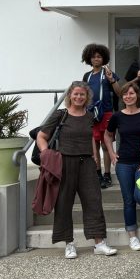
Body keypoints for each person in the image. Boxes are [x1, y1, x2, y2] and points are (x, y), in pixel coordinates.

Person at [35, 81, 117, 259]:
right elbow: (41, 136)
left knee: (94, 201)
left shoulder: (89, 116)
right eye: (76, 94)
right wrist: (46, 154)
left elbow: (91, 138)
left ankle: (99, 243)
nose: (79, 97)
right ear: (70, 96)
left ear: (87, 97)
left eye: (82, 94)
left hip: (87, 163)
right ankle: (69, 243)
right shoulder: (61, 115)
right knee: (64, 203)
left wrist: (96, 157)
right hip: (64, 162)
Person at [104, 83, 140, 251]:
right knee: (128, 200)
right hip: (124, 162)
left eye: (131, 93)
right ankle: (132, 237)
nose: (128, 96)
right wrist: (111, 153)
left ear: (137, 95)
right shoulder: (117, 116)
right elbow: (107, 135)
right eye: (125, 94)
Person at [81, 43, 121, 189]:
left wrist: (112, 80)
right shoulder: (87, 76)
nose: (96, 59)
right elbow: (83, 94)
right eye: (93, 57)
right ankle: (97, 173)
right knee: (94, 145)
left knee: (105, 144)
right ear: (89, 59)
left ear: (104, 58)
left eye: (99, 56)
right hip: (91, 113)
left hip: (106, 112)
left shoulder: (108, 73)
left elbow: (119, 93)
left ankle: (107, 174)